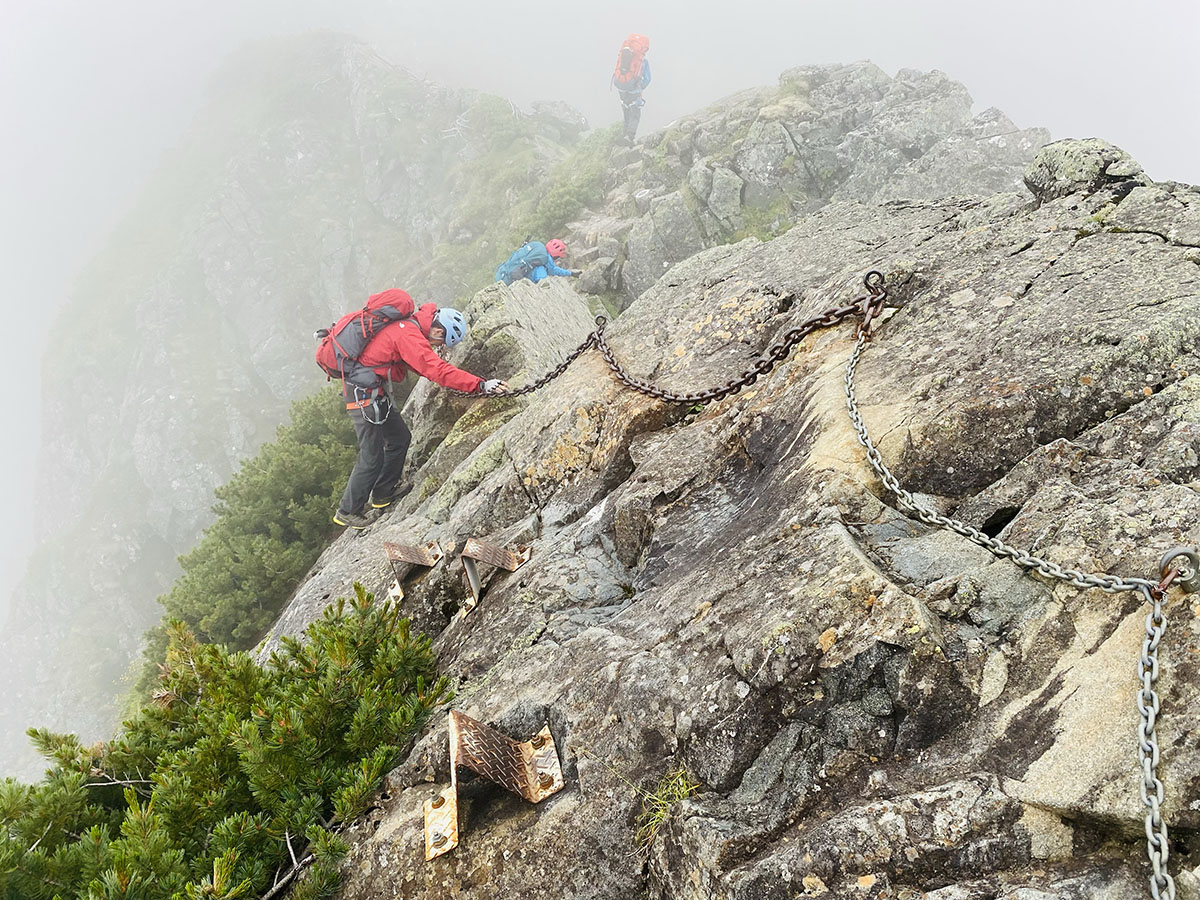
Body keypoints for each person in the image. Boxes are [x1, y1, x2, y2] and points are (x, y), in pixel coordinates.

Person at [332, 299, 508, 530]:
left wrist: (463, 382)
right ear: (436, 329)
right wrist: (480, 385)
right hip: (363, 396)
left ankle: (384, 493)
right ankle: (348, 510)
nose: (437, 346)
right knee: (371, 454)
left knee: (399, 438)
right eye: (439, 342)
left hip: (373, 393)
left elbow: (425, 366)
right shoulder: (408, 335)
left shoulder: (408, 329)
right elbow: (434, 368)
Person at [611, 34, 651, 143]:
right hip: (634, 90)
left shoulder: (623, 54)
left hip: (621, 88)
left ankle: (624, 135)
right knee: (635, 114)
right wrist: (639, 87)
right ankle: (629, 137)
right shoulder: (642, 61)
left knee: (626, 111)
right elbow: (647, 79)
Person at [494, 239, 580, 286]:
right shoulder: (545, 258)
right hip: (515, 278)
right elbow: (553, 270)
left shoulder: (537, 245)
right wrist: (570, 273)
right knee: (541, 270)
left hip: (505, 272)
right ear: (555, 254)